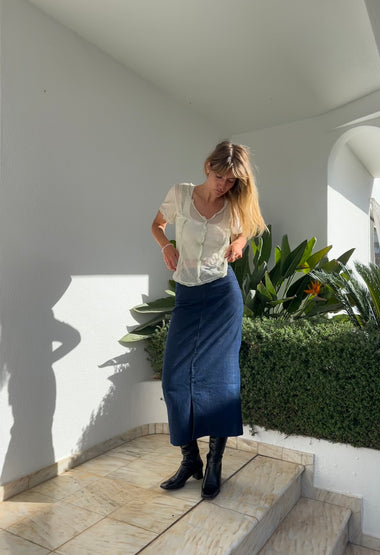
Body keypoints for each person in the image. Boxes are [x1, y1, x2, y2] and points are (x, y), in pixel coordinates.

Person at [151, 140, 266, 499]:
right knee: (174, 379)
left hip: (222, 297)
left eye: (231, 181)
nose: (224, 186)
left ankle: (215, 462)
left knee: (221, 382)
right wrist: (167, 245)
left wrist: (239, 244)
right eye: (220, 177)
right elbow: (157, 224)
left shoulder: (233, 205)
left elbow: (246, 229)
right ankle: (191, 460)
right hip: (187, 296)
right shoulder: (181, 194)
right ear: (207, 168)